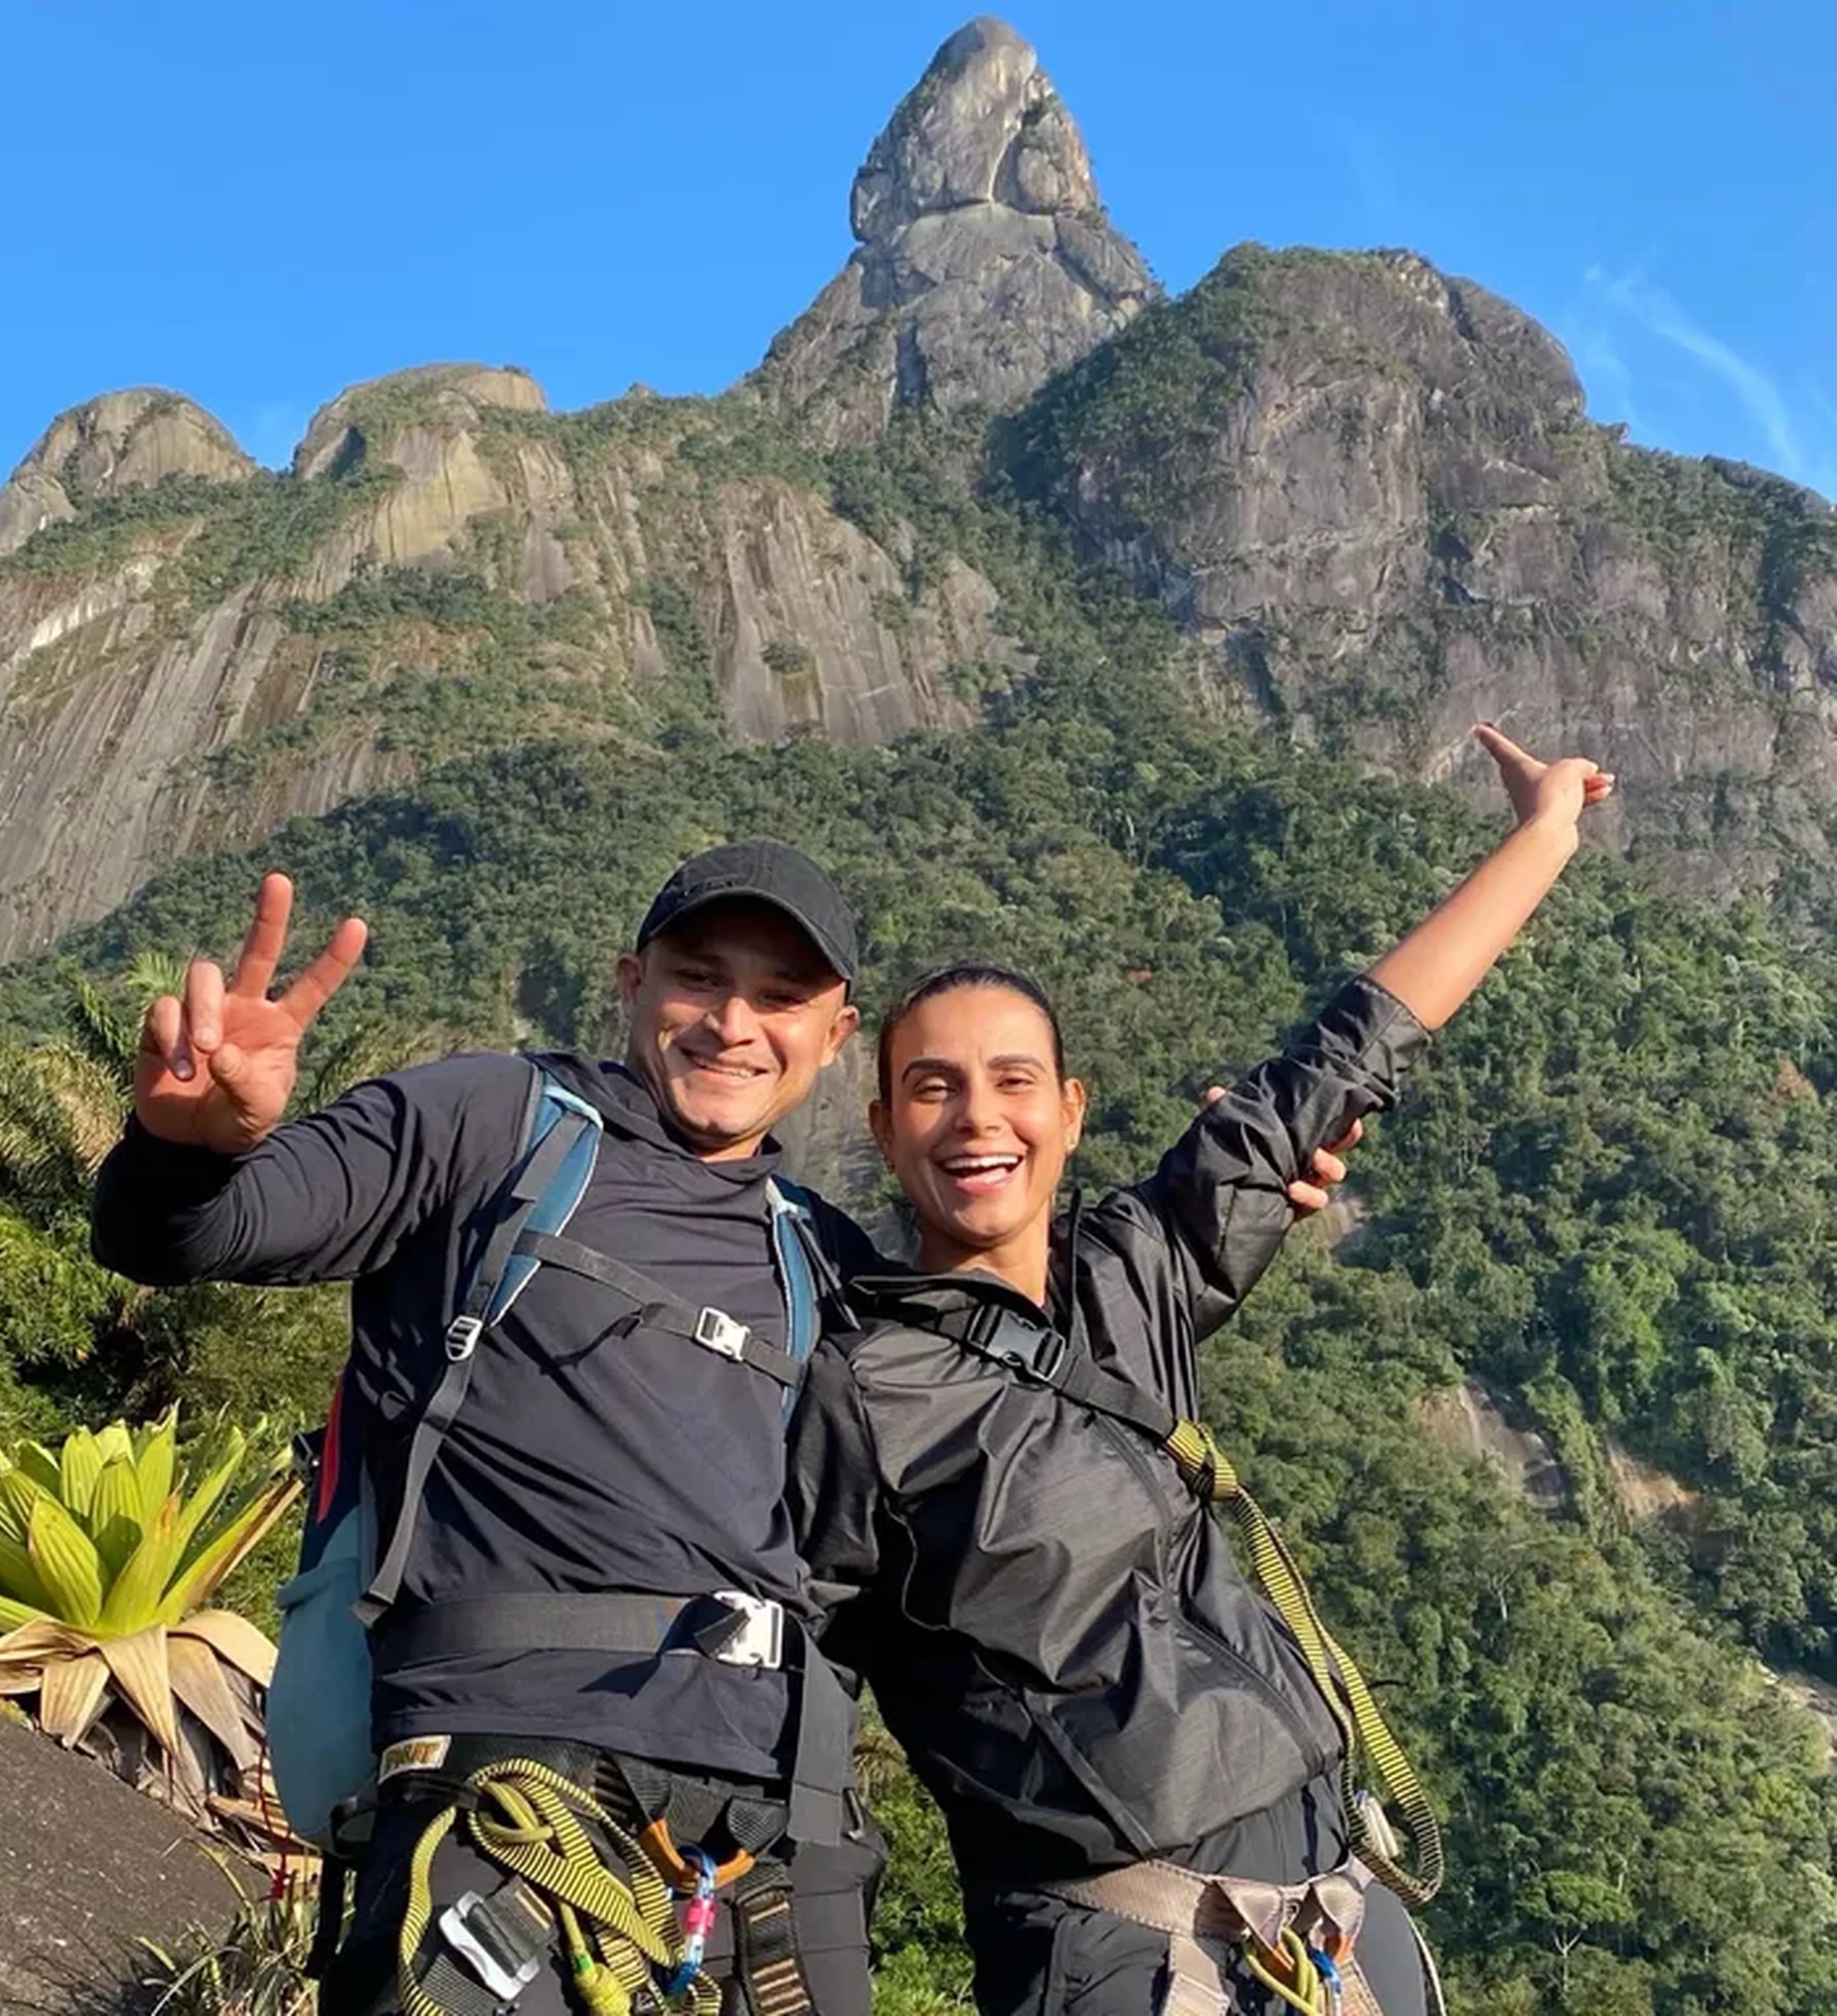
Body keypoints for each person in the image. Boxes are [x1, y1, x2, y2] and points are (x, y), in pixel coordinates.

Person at [787, 726, 1613, 2016]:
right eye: (933, 1089)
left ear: (1071, 1109)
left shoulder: (1138, 1267)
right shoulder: (860, 1387)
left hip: (1338, 1903)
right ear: (887, 1130)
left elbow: (1347, 1055)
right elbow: (790, 1678)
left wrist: (1545, 834)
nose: (977, 1117)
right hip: (1123, 1946)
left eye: (1013, 1081)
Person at [90, 842, 890, 2016]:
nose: (734, 1024)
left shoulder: (826, 1258)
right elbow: (197, 1235)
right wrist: (185, 1150)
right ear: (631, 983)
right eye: (699, 978)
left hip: (777, 1834)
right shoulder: (496, 1121)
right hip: (509, 1775)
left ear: (835, 1034)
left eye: (780, 998)